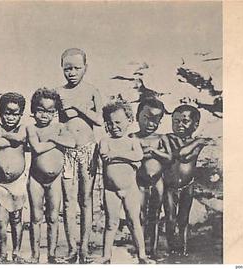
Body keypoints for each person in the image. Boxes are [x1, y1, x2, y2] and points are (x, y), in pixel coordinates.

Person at [56, 48, 103, 264]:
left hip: (87, 149)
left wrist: (78, 106)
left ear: (86, 67)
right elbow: (53, 120)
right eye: (67, 69)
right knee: (67, 202)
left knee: (86, 199)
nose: (72, 73)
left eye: (76, 68)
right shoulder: (58, 92)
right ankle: (71, 248)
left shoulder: (92, 91)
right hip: (66, 152)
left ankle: (84, 247)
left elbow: (100, 120)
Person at [96, 100, 154, 264]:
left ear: (129, 120)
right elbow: (104, 155)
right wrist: (126, 158)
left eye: (118, 122)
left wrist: (116, 155)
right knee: (111, 223)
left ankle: (142, 254)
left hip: (130, 189)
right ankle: (106, 255)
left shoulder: (132, 141)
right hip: (110, 190)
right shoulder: (105, 140)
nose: (114, 126)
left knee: (134, 221)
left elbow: (138, 156)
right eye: (110, 122)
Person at [26, 88, 75, 264]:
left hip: (55, 180)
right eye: (41, 110)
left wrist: (53, 138)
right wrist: (55, 140)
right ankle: (35, 254)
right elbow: (37, 148)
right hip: (36, 179)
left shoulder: (60, 127)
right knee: (36, 217)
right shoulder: (31, 128)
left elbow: (72, 142)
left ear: (55, 112)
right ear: (33, 110)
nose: (45, 115)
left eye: (50, 111)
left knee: (53, 217)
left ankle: (52, 254)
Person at [164, 105, 210, 257]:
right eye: (175, 121)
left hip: (187, 185)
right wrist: (197, 142)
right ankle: (171, 249)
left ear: (195, 124)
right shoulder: (170, 138)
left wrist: (197, 142)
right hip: (169, 186)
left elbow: (190, 154)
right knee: (170, 219)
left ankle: (182, 251)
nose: (179, 125)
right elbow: (181, 154)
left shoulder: (197, 142)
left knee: (183, 220)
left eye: (185, 121)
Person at [0, 92, 27, 263]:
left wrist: (9, 137)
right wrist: (12, 140)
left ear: (21, 114)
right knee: (0, 220)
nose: (11, 117)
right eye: (7, 112)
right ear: (1, 113)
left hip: (18, 182)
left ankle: (17, 252)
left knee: (17, 218)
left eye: (15, 113)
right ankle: (2, 253)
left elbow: (20, 137)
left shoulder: (23, 129)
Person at [134, 98, 172, 260]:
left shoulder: (161, 138)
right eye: (147, 118)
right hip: (139, 181)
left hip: (157, 181)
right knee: (140, 215)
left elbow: (169, 157)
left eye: (156, 120)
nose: (151, 123)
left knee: (155, 215)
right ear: (137, 116)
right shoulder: (132, 137)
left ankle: (154, 248)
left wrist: (152, 151)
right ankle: (141, 250)